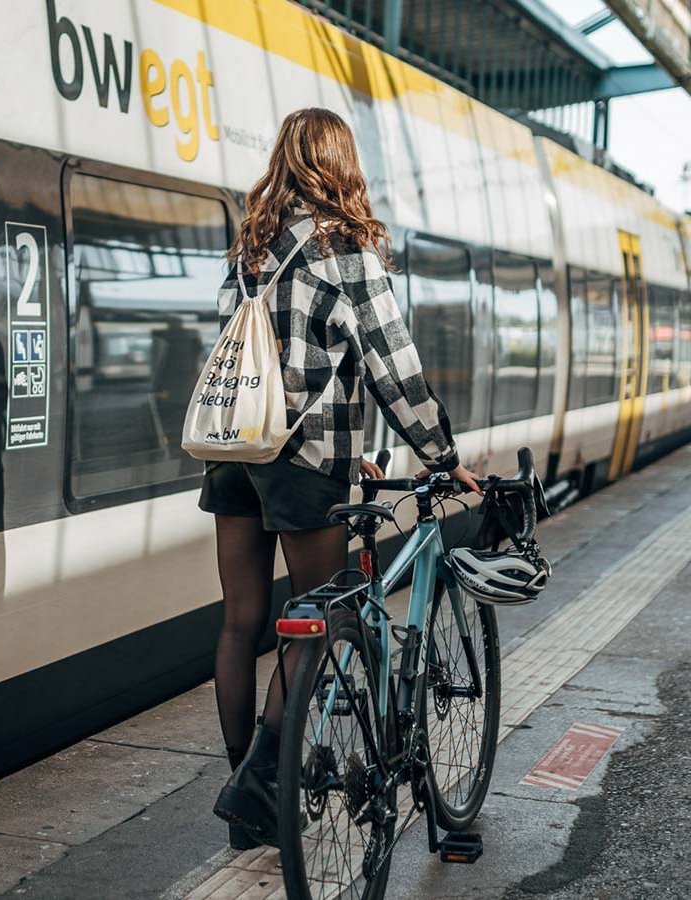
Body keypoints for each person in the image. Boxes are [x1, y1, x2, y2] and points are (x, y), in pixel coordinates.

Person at [199, 108, 482, 850]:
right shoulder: (343, 245)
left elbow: (245, 356)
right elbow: (393, 361)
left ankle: (244, 796)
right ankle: (262, 787)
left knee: (239, 621)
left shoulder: (249, 243)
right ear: (340, 163)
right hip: (303, 460)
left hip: (234, 451)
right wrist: (442, 455)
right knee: (317, 622)